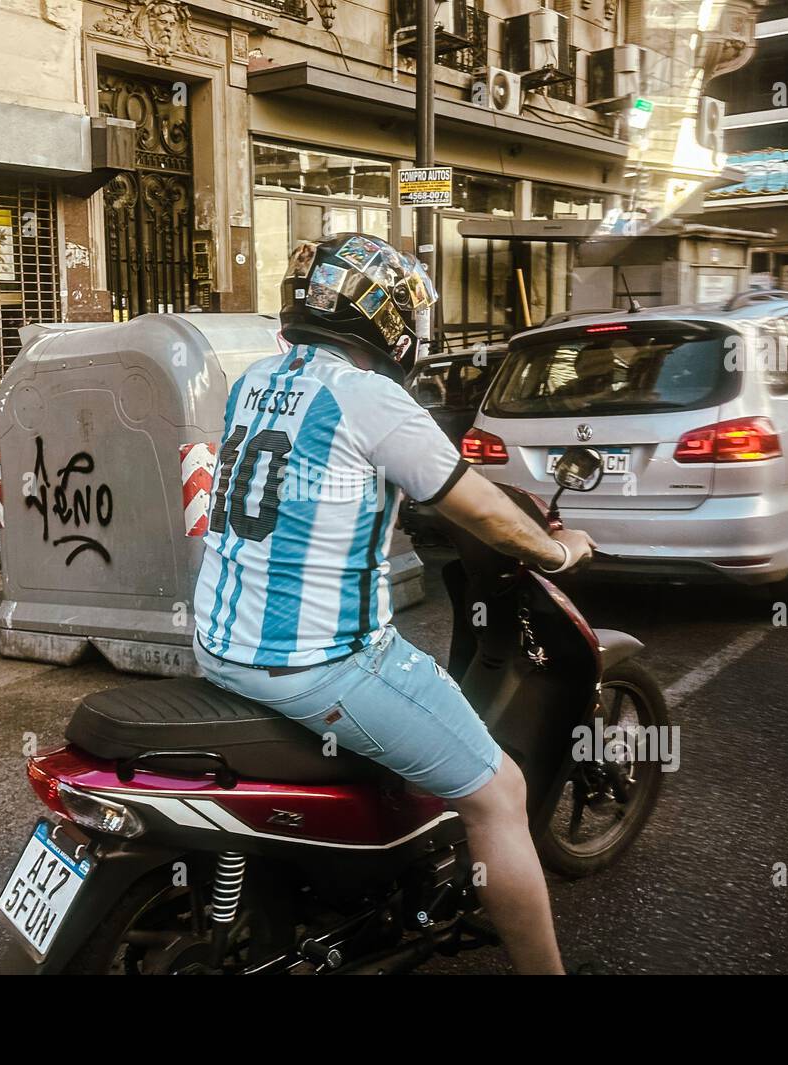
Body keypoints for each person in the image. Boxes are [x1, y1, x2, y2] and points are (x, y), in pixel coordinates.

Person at [193, 234, 595, 974]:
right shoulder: (372, 397)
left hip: (220, 645)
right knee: (499, 792)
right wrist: (555, 552)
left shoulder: (255, 380)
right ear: (390, 322)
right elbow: (481, 509)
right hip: (321, 664)